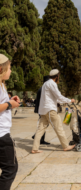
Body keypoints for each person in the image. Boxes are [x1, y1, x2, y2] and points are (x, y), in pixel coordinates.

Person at [31, 69, 76, 154]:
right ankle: (65, 146)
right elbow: (58, 96)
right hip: (50, 110)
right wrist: (70, 100)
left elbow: (52, 98)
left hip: (43, 110)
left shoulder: (45, 84)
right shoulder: (52, 84)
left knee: (40, 129)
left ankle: (34, 148)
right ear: (57, 76)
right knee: (59, 128)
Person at [0, 54, 21, 190]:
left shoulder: (2, 85)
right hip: (2, 135)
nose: (11, 71)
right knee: (10, 168)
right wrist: (9, 104)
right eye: (9, 68)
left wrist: (9, 100)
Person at [32, 76, 50, 145]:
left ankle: (40, 138)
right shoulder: (43, 89)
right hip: (42, 109)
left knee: (43, 124)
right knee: (44, 124)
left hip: (41, 109)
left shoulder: (41, 88)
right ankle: (38, 137)